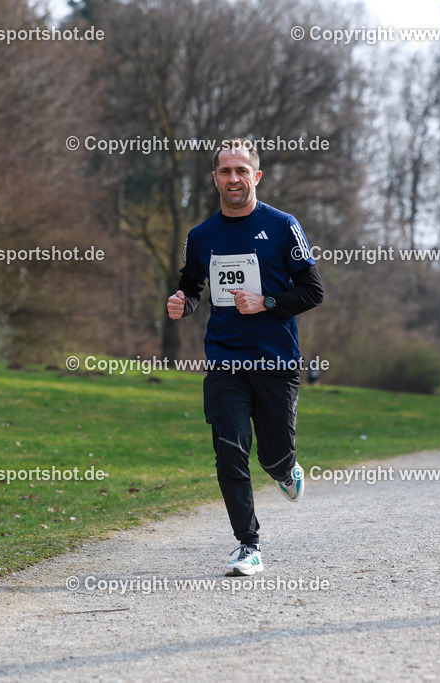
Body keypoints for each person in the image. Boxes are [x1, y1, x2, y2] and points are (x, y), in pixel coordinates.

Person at [167, 139, 324, 576]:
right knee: (229, 450)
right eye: (224, 171)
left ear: (255, 176)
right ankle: (247, 544)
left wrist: (265, 303)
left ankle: (285, 469)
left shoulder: (282, 226)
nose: (233, 178)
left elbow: (313, 292)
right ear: (215, 178)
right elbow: (193, 289)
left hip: (275, 361)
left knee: (272, 457)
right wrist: (184, 303)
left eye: (241, 170)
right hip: (224, 360)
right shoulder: (201, 236)